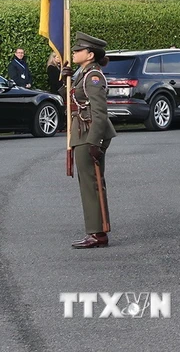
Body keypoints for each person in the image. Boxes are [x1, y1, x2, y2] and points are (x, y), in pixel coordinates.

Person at [60, 32, 117, 249]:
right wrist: (65, 78)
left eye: (78, 50)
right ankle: (95, 231)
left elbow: (100, 112)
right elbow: (72, 99)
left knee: (92, 184)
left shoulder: (94, 77)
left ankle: (98, 234)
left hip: (89, 133)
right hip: (82, 132)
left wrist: (95, 141)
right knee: (88, 183)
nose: (74, 52)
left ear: (90, 54)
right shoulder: (82, 74)